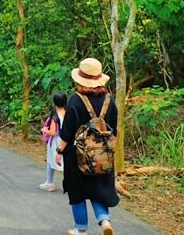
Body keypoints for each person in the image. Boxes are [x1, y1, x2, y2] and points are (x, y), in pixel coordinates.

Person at [55, 58, 119, 235]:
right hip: (103, 155)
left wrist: (59, 151)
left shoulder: (76, 100)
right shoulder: (109, 100)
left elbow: (67, 131)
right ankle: (104, 220)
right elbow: (115, 129)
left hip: (78, 155)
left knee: (77, 191)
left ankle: (80, 229)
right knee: (98, 188)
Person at [39, 92, 67, 191]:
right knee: (65, 163)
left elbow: (53, 132)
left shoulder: (55, 116)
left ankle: (49, 183)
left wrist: (44, 130)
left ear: (54, 102)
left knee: (53, 162)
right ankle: (70, 184)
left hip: (56, 142)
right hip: (67, 140)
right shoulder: (68, 113)